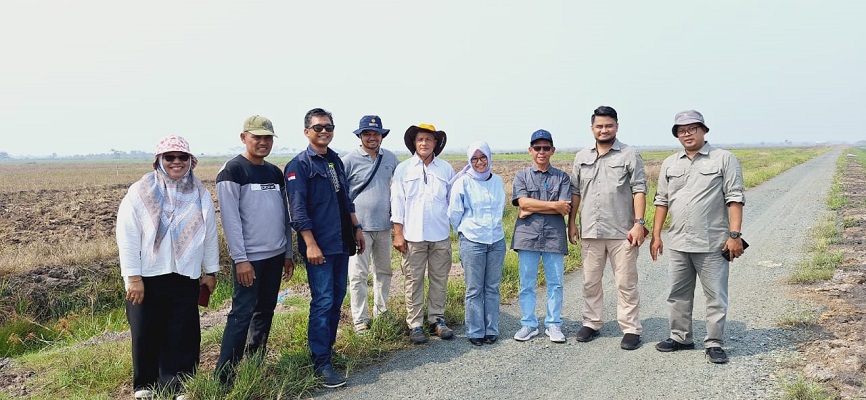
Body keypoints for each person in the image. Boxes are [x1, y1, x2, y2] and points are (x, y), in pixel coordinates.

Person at [116, 135, 219, 400]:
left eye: (182, 157)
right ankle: (145, 385)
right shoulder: (140, 191)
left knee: (183, 332)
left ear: (190, 161)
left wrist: (211, 271)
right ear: (159, 161)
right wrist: (133, 277)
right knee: (145, 331)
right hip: (147, 276)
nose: (176, 162)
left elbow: (209, 235)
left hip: (185, 274)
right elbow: (127, 236)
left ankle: (179, 385)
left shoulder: (199, 193)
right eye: (170, 157)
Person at [650, 110, 745, 364]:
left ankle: (714, 342)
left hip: (713, 242)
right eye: (682, 130)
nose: (687, 133)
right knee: (677, 293)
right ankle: (681, 337)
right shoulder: (670, 163)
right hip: (679, 242)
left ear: (704, 130)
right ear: (677, 135)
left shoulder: (723, 159)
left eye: (692, 128)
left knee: (715, 295)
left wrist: (734, 235)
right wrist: (657, 234)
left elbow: (734, 198)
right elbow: (661, 201)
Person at [285, 108, 365, 388]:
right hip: (318, 247)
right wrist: (310, 244)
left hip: (341, 242)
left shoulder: (334, 161)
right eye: (318, 127)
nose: (324, 131)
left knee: (336, 298)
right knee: (322, 302)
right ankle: (320, 363)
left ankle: (327, 351)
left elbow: (346, 198)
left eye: (328, 127)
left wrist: (356, 228)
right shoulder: (300, 165)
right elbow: (297, 210)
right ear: (307, 131)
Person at [215, 115, 294, 384]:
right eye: (256, 137)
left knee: (266, 311)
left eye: (267, 138)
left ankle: (255, 364)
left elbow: (284, 215)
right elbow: (231, 220)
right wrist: (241, 260)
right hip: (249, 260)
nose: (262, 142)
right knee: (241, 314)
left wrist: (287, 254)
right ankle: (224, 376)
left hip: (275, 256)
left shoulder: (274, 172)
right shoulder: (232, 171)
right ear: (243, 137)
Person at [568, 106, 648, 350]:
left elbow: (639, 190)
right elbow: (575, 192)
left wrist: (639, 224)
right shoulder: (582, 156)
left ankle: (631, 328)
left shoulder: (629, 154)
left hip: (622, 232)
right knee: (590, 281)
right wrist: (571, 223)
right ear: (592, 128)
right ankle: (591, 322)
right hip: (591, 231)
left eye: (608, 125)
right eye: (599, 126)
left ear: (617, 126)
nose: (604, 130)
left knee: (625, 282)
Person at [391, 123, 456, 344]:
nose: (424, 143)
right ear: (414, 143)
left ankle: (437, 319)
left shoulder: (445, 169)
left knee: (439, 279)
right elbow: (397, 202)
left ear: (435, 143)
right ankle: (415, 324)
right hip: (413, 236)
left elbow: (452, 202)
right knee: (413, 280)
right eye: (420, 139)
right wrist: (398, 234)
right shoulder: (404, 169)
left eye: (429, 139)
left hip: (440, 235)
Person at [511, 130, 572, 343]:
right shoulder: (521, 176)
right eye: (537, 148)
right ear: (530, 150)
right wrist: (552, 205)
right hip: (527, 236)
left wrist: (533, 207)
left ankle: (553, 324)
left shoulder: (562, 177)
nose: (542, 152)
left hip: (554, 236)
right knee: (527, 283)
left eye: (546, 148)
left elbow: (564, 208)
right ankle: (528, 324)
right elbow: (522, 203)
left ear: (552, 150)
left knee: (555, 283)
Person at [342, 115, 399, 334]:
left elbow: (399, 190)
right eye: (367, 133)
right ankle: (360, 319)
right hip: (359, 230)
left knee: (384, 272)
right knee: (357, 275)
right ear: (360, 136)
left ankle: (381, 312)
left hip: (384, 226)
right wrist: (351, 225)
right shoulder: (348, 160)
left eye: (376, 133)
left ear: (382, 136)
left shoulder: (391, 159)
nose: (372, 137)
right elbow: (343, 196)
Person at [448, 141, 506, 346]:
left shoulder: (497, 181)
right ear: (469, 161)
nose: (479, 162)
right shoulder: (463, 182)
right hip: (472, 240)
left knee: (492, 287)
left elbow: (501, 208)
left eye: (483, 158)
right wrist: (464, 231)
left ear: (489, 158)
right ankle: (474, 330)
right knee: (474, 289)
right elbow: (454, 212)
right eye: (474, 159)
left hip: (497, 240)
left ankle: (491, 329)